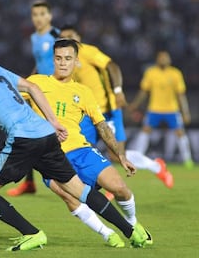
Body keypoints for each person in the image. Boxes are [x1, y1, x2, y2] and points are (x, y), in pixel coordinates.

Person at [0, 38, 148, 251]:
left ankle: (32, 233)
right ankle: (132, 232)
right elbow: (32, 87)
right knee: (79, 190)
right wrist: (53, 122)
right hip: (46, 134)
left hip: (22, 139)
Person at [23, 38, 151, 248]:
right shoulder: (36, 82)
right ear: (53, 60)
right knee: (69, 198)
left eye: (67, 59)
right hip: (50, 158)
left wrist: (120, 155)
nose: (63, 63)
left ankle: (133, 223)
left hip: (81, 151)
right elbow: (9, 99)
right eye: (58, 58)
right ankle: (107, 234)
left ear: (76, 62)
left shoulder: (83, 92)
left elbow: (101, 125)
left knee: (120, 188)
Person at [59, 25, 174, 193]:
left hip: (107, 110)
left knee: (116, 154)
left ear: (78, 37)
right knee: (81, 148)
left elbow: (112, 67)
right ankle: (97, 186)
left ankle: (156, 166)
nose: (67, 39)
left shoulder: (88, 52)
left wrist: (118, 91)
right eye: (63, 37)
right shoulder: (68, 61)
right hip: (86, 113)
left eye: (70, 35)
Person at [7, 0, 60, 196]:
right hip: (39, 89)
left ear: (50, 16)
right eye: (35, 15)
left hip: (55, 90)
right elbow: (40, 63)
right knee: (27, 132)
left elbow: (69, 59)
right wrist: (29, 83)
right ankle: (29, 182)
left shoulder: (56, 35)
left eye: (42, 14)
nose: (38, 18)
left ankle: (94, 182)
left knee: (65, 136)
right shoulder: (34, 38)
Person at [129, 51, 194, 169]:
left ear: (169, 59)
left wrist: (185, 112)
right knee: (145, 131)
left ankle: (187, 160)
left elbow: (181, 95)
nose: (163, 59)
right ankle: (138, 159)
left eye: (165, 57)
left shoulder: (175, 73)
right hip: (154, 109)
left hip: (172, 109)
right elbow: (144, 91)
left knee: (180, 133)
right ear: (157, 59)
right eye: (161, 57)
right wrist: (135, 104)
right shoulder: (151, 72)